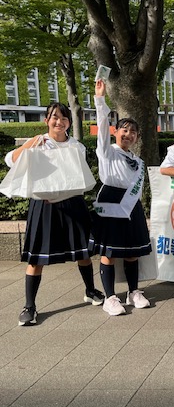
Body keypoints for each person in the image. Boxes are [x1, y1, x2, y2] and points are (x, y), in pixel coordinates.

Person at [7, 103, 103, 326]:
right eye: (54, 117)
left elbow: (78, 176)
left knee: (83, 252)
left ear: (69, 122)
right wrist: (30, 143)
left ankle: (90, 290)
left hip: (73, 203)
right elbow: (10, 160)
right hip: (44, 205)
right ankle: (29, 306)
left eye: (64, 118)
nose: (59, 122)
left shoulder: (76, 146)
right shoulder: (38, 142)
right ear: (46, 121)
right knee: (36, 257)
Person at [91, 79, 153, 316]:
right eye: (124, 130)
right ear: (115, 132)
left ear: (137, 137)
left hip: (131, 204)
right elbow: (101, 127)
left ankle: (133, 291)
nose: (128, 134)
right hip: (111, 200)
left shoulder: (137, 161)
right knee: (109, 252)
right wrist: (100, 100)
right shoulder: (107, 152)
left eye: (133, 132)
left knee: (132, 251)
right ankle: (109, 297)